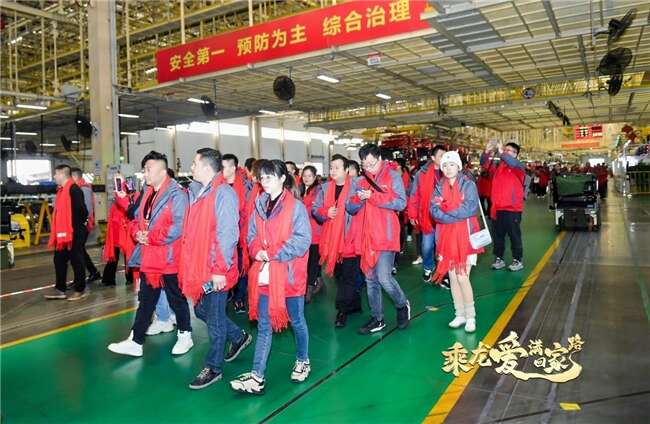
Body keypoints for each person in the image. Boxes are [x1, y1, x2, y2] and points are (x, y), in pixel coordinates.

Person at [230, 160, 311, 395]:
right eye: (261, 177)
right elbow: (251, 236)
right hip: (265, 274)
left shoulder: (295, 207)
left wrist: (273, 253)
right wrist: (257, 251)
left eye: (269, 177)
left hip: (289, 274)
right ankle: (257, 376)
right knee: (264, 325)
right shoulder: (258, 205)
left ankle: (303, 360)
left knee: (296, 320)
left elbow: (302, 240)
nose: (264, 181)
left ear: (282, 178)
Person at [178, 148, 252, 390]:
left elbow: (227, 233)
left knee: (215, 317)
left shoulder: (223, 194)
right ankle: (239, 336)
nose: (191, 167)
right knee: (201, 309)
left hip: (217, 270)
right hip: (203, 268)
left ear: (207, 167)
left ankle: (213, 367)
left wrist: (220, 269)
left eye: (194, 163)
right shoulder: (201, 192)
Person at [108, 151, 193, 357]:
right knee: (146, 301)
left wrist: (152, 236)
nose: (144, 173)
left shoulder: (177, 194)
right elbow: (136, 218)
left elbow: (178, 226)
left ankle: (185, 335)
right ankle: (135, 341)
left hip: (169, 258)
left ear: (163, 171)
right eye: (144, 169)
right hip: (150, 257)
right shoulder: (147, 192)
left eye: (148, 169)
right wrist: (137, 233)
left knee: (176, 299)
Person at [347, 144, 410, 334]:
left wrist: (373, 197)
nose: (368, 168)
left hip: (385, 236)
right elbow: (350, 207)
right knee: (370, 279)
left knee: (384, 278)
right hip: (366, 237)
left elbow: (401, 203)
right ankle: (377, 318)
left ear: (380, 159)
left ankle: (401, 305)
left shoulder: (393, 176)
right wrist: (359, 199)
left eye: (372, 164)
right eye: (364, 165)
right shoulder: (359, 181)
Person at [430, 151, 484, 333]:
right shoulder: (439, 187)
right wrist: (451, 214)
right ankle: (459, 314)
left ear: (458, 166)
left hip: (465, 238)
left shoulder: (468, 184)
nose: (448, 168)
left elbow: (470, 208)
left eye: (451, 164)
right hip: (447, 239)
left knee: (462, 276)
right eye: (444, 165)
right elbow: (434, 211)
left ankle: (471, 316)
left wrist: (446, 211)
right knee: (452, 277)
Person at [313, 154, 362, 328]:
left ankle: (342, 311)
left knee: (348, 276)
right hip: (332, 241)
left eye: (337, 168)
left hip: (350, 238)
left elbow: (358, 208)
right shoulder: (325, 188)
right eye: (331, 167)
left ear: (346, 170)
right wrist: (325, 213)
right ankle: (354, 304)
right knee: (340, 276)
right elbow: (315, 209)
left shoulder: (356, 186)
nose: (333, 171)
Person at [44, 165, 89, 301]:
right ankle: (60, 289)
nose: (54, 176)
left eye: (56, 174)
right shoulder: (61, 191)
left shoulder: (74, 190)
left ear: (63, 174)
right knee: (59, 260)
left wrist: (75, 226)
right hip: (63, 234)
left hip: (74, 231)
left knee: (76, 260)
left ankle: (80, 290)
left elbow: (83, 211)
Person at [481, 141, 526, 272]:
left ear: (516, 154)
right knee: (498, 236)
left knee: (514, 235)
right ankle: (499, 258)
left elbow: (511, 162)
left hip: (512, 209)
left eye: (509, 151)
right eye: (505, 150)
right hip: (497, 208)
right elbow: (484, 164)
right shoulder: (498, 167)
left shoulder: (518, 167)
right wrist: (486, 151)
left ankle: (517, 259)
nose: (505, 152)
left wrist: (501, 152)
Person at [407, 145, 447, 286]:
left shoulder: (449, 171)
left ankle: (443, 273)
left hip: (446, 217)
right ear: (433, 158)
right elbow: (414, 195)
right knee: (427, 246)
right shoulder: (422, 174)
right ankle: (428, 267)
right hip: (427, 216)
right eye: (441, 155)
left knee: (444, 247)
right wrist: (412, 214)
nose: (444, 158)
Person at [222, 153, 253, 314]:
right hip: (223, 236)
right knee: (225, 266)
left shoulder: (247, 187)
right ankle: (226, 292)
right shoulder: (218, 187)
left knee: (242, 268)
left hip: (241, 235)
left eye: (223, 167)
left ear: (233, 168)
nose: (220, 170)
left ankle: (239, 298)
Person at [101, 177, 136, 286]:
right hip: (119, 231)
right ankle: (114, 278)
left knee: (124, 254)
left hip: (123, 231)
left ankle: (112, 279)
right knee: (121, 254)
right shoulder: (125, 198)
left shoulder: (124, 199)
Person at [70, 168, 101, 283]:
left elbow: (86, 210)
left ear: (74, 177)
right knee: (80, 251)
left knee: (77, 251)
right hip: (81, 225)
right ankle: (93, 272)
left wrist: (81, 224)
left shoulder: (83, 189)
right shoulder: (78, 188)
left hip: (83, 226)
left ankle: (85, 276)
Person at [300, 165, 323, 303]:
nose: (306, 178)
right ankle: (318, 280)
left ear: (315, 177)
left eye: (309, 176)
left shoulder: (318, 191)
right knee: (308, 262)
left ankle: (308, 291)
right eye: (304, 176)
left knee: (313, 262)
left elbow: (314, 210)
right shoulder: (300, 190)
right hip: (303, 233)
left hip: (315, 233)